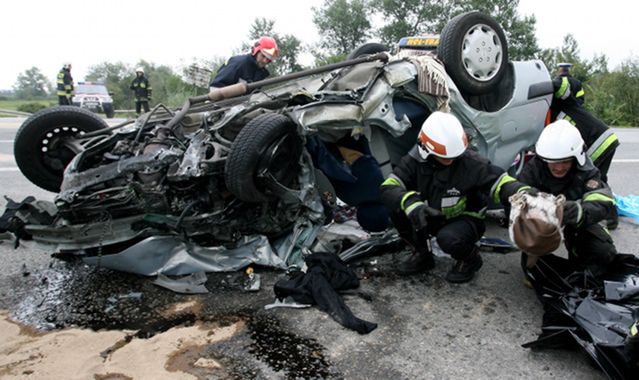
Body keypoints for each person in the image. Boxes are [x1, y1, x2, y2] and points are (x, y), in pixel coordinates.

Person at [380, 112, 503, 283]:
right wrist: (411, 203)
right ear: (425, 148)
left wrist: (520, 191)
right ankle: (423, 254)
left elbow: (499, 181)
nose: (451, 160)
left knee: (449, 239)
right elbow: (389, 187)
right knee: (397, 209)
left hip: (465, 220)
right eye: (445, 157)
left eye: (454, 156)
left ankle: (470, 259)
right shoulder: (414, 160)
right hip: (432, 213)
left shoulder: (470, 162)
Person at [491, 120, 617, 276]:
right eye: (553, 162)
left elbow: (603, 203)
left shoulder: (587, 171)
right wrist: (535, 212)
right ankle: (537, 255)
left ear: (576, 157)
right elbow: (515, 202)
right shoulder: (534, 168)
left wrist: (578, 212)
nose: (558, 168)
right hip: (542, 221)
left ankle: (578, 259)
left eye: (565, 162)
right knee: (534, 271)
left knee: (602, 252)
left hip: (576, 222)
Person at [209, 36, 278, 90]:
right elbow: (215, 87)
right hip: (223, 105)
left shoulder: (261, 73)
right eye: (263, 56)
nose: (265, 61)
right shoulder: (238, 63)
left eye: (268, 59)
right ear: (256, 51)